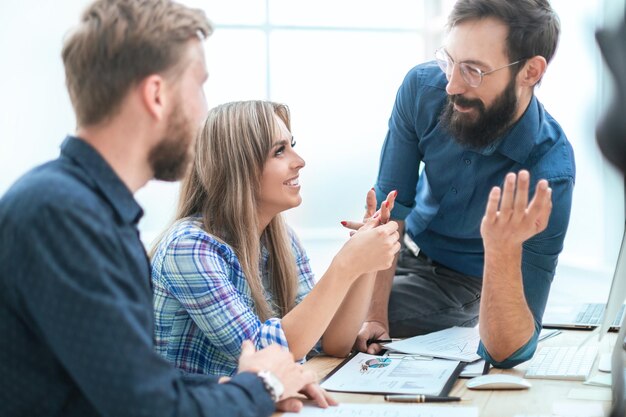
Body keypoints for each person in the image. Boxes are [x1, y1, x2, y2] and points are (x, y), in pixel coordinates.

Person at [0, 1, 335, 416]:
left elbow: (132, 380)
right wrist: (261, 384)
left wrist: (235, 385)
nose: (203, 111)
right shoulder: (60, 215)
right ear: (157, 95)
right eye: (199, 85)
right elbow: (146, 407)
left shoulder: (91, 212)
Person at [352, 0, 575, 368]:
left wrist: (502, 249)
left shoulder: (549, 174)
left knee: (327, 316)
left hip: (472, 281)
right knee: (326, 300)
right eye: (449, 61)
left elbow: (510, 351)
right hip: (403, 250)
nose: (452, 85)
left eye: (473, 70)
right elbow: (389, 212)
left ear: (530, 72)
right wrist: (373, 314)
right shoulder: (424, 87)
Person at [150, 100, 401, 377]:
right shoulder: (188, 248)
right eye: (280, 151)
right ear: (238, 167)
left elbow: (332, 343)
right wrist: (344, 265)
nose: (300, 162)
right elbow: (267, 353)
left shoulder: (281, 240)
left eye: (292, 145)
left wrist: (364, 262)